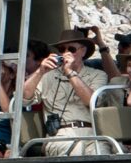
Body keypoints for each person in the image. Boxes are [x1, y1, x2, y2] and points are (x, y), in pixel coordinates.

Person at [21, 27, 109, 155]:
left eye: (71, 49)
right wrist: (40, 71)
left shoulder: (98, 75)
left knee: (102, 152)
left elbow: (91, 101)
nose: (65, 53)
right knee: (76, 149)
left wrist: (70, 73)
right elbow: (23, 98)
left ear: (83, 51)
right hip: (59, 136)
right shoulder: (48, 75)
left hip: (91, 133)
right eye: (62, 49)